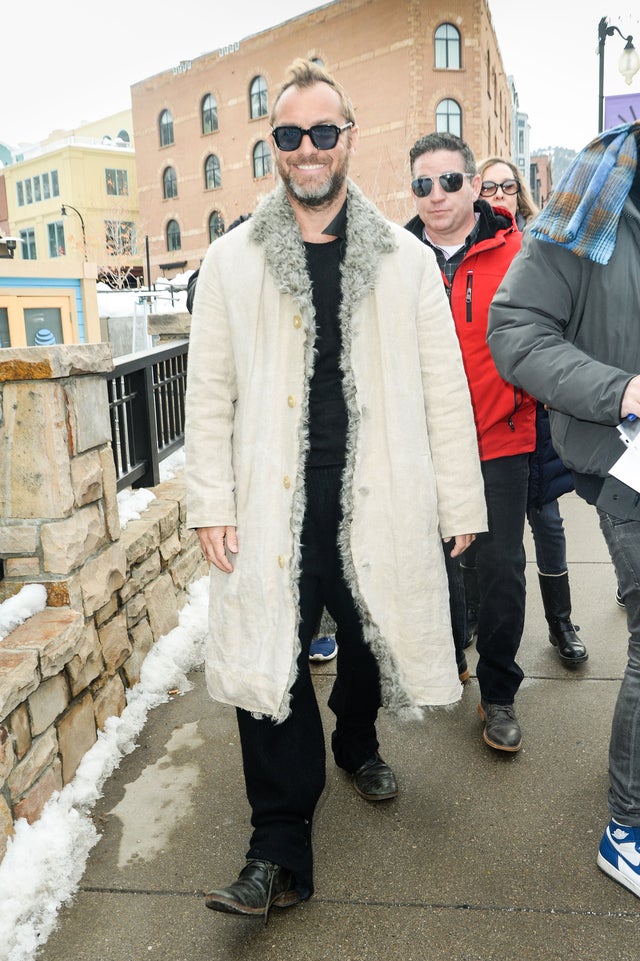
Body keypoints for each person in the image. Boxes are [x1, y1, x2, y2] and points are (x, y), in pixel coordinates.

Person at [185, 60, 487, 920]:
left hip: (383, 494)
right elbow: (208, 394)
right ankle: (276, 848)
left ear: (349, 138)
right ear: (274, 148)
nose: (308, 149)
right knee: (269, 660)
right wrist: (210, 497)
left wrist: (459, 502)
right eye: (290, 136)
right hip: (269, 500)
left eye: (324, 132)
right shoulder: (231, 261)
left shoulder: (402, 260)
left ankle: (357, 738)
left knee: (368, 639)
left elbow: (443, 390)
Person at [487, 121, 640, 899]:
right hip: (622, 458)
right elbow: (513, 329)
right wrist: (621, 389)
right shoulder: (591, 201)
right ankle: (628, 825)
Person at [405, 132, 537, 753]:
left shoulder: (519, 253)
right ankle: (450, 656)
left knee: (502, 570)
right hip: (425, 445)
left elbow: (545, 333)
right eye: (422, 184)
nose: (436, 195)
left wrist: (525, 399)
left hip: (501, 437)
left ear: (472, 185)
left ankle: (499, 693)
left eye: (449, 181)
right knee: (439, 562)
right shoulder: (397, 259)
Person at [471, 157, 588, 666]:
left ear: (520, 193)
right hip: (489, 413)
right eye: (489, 185)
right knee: (489, 531)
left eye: (508, 185)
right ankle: (478, 619)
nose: (499, 193)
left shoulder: (540, 245)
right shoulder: (470, 249)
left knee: (546, 518)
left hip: (536, 412)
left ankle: (561, 623)